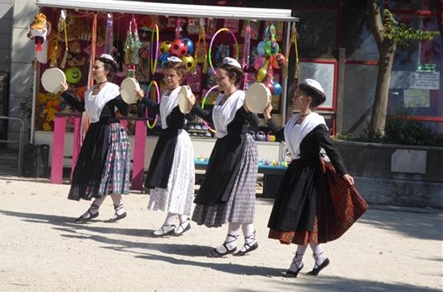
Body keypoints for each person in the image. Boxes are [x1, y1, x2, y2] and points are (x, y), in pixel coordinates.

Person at [263, 78, 355, 277]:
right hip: (296, 172)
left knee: (304, 216)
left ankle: (297, 263)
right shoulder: (294, 121)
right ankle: (320, 257)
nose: (293, 99)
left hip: (311, 174)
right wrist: (268, 118)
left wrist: (343, 172)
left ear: (308, 99)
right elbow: (281, 135)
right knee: (306, 217)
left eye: (297, 96)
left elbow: (331, 149)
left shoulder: (316, 124)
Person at [187, 57, 260, 257]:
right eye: (217, 78)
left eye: (221, 78)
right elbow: (212, 119)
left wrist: (247, 110)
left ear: (233, 78)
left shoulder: (242, 98)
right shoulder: (221, 99)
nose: (217, 82)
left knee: (236, 194)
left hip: (241, 148)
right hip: (225, 147)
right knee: (235, 193)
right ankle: (251, 238)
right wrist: (193, 107)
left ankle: (230, 242)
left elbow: (255, 122)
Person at [60, 54, 131, 224]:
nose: (93, 70)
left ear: (106, 70)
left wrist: (129, 96)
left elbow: (125, 111)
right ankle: (118, 208)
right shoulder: (90, 91)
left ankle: (95, 209)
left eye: (96, 67)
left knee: (105, 170)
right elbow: (81, 108)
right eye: (93, 67)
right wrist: (65, 93)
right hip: (95, 132)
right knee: (101, 170)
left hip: (110, 132)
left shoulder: (113, 90)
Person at [136, 56, 195, 236]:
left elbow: (189, 115)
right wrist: (143, 98)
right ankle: (183, 220)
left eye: (172, 76)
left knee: (174, 179)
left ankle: (170, 222)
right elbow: (159, 109)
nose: (168, 79)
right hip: (167, 138)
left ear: (180, 77)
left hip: (177, 139)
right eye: (166, 75)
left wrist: (190, 106)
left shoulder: (183, 93)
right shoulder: (167, 94)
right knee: (167, 179)